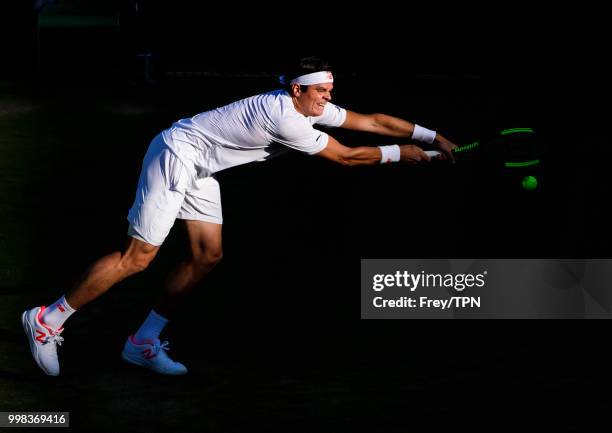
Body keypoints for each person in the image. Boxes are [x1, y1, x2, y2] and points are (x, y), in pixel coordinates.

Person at [21, 56, 458, 376]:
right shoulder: (285, 117)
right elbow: (345, 157)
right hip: (177, 154)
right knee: (138, 257)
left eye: (330, 89)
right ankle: (46, 320)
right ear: (297, 90)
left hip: (202, 167)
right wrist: (402, 155)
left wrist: (433, 136)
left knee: (207, 256)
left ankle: (143, 342)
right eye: (321, 90)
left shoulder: (310, 106)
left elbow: (374, 123)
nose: (329, 96)